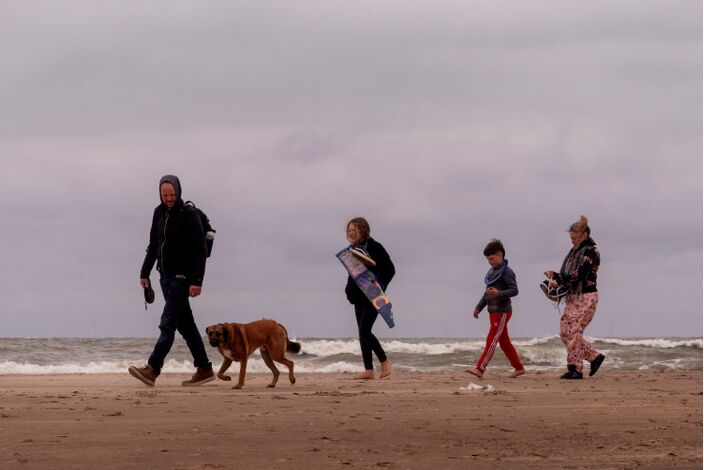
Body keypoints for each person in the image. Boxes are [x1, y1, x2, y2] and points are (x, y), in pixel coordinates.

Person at [128, 175, 215, 387]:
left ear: (178, 191)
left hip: (182, 278)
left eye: (172, 194)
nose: (169, 198)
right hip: (164, 277)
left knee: (167, 324)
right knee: (186, 326)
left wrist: (197, 281)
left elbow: (201, 250)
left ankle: (152, 369)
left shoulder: (188, 214)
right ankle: (204, 368)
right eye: (165, 194)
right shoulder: (158, 213)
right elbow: (153, 245)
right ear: (160, 193)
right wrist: (144, 273)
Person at [545, 215, 605, 380]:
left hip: (586, 296)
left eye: (574, 237)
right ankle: (594, 357)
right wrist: (555, 276)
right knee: (565, 332)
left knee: (575, 332)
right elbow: (569, 274)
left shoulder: (592, 252)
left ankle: (575, 369)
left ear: (584, 235)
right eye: (571, 238)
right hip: (572, 296)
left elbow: (580, 275)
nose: (572, 241)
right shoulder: (574, 252)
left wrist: (560, 279)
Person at [466, 239, 525, 379]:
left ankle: (480, 368)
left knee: (491, 339)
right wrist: (478, 308)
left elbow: (515, 290)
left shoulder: (507, 272)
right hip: (492, 311)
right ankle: (519, 367)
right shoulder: (492, 272)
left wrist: (499, 293)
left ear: (500, 255)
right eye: (488, 260)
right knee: (504, 342)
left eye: (491, 258)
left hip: (503, 311)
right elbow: (487, 293)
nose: (490, 262)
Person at [344, 217, 395, 380]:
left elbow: (390, 269)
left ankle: (385, 361)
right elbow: (352, 274)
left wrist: (380, 284)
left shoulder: (375, 246)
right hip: (358, 296)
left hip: (373, 294)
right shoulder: (352, 250)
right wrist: (348, 291)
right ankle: (368, 369)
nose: (350, 233)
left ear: (363, 229)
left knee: (365, 331)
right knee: (361, 332)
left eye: (354, 229)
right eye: (349, 230)